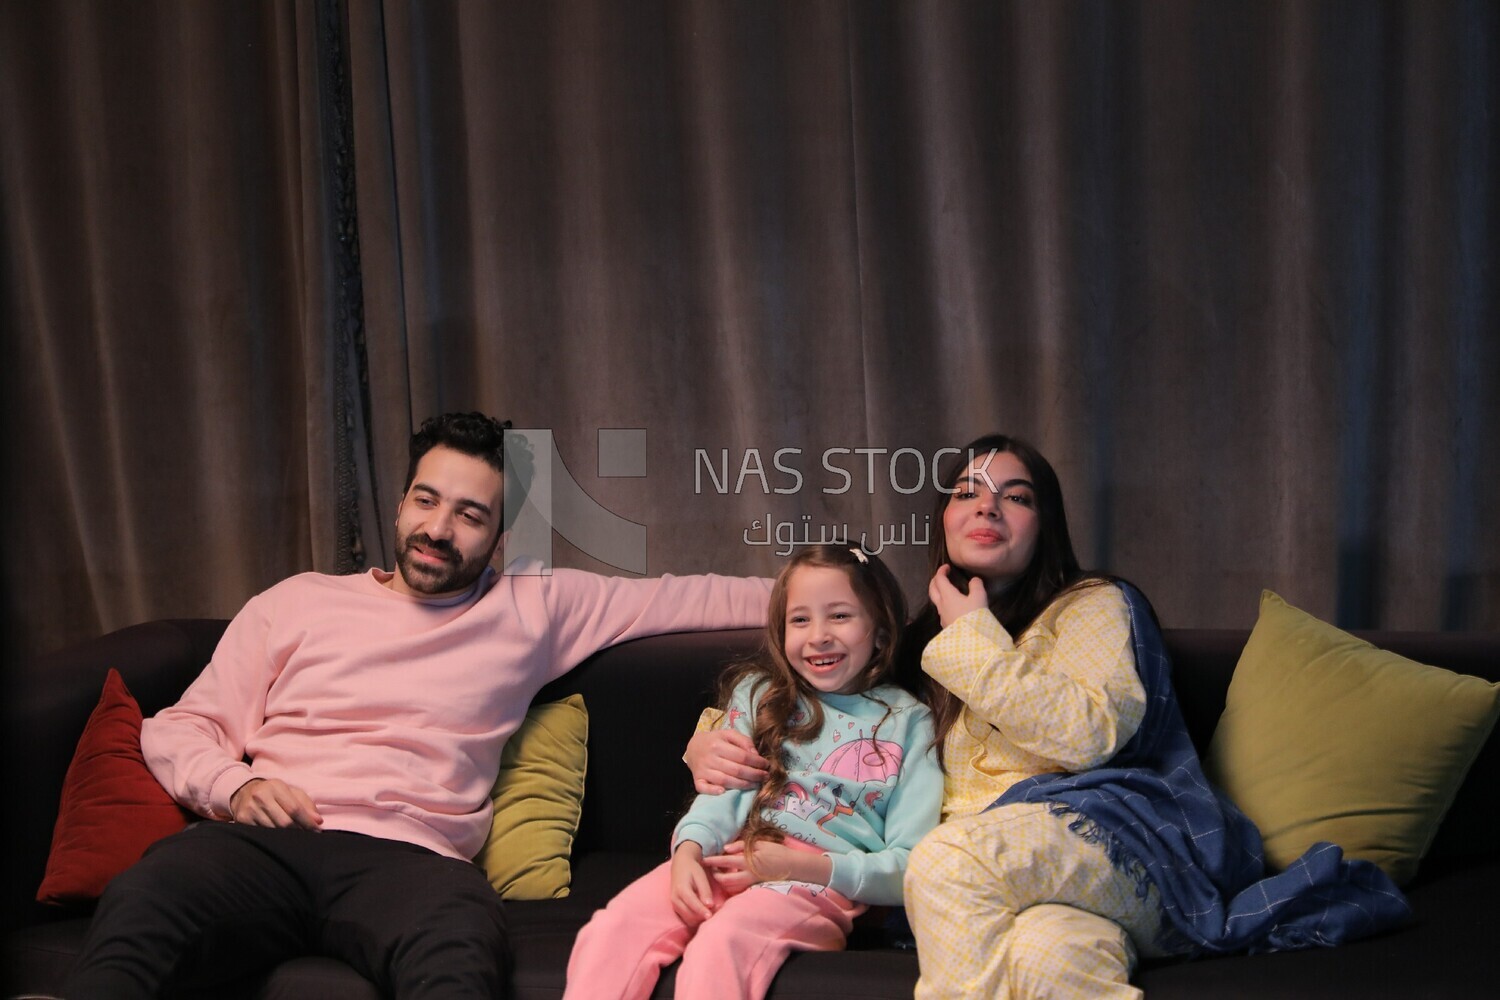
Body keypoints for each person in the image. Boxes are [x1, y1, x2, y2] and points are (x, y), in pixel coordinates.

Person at [64, 412, 773, 1000]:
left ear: (497, 538)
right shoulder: (296, 601)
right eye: (427, 501)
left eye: (470, 515)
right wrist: (236, 785)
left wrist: (839, 605)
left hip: (413, 862)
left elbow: (696, 594)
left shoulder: (536, 605)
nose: (439, 529)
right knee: (148, 898)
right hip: (269, 845)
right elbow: (180, 728)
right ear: (401, 505)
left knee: (462, 946)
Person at [688, 434, 1409, 999]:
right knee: (1052, 957)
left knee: (944, 861)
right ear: (942, 519)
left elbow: (1090, 737)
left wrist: (973, 634)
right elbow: (810, 707)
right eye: (968, 491)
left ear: (1046, 523)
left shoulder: (1093, 605)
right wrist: (708, 742)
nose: (988, 507)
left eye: (1017, 495)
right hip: (1011, 886)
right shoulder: (915, 646)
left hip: (1112, 845)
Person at [565, 544, 943, 1000]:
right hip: (726, 856)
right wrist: (687, 851)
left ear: (881, 632)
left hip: (814, 882)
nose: (818, 635)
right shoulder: (760, 696)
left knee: (724, 943)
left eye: (839, 616)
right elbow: (723, 792)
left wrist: (792, 865)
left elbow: (910, 864)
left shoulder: (908, 722)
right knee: (613, 929)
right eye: (800, 620)